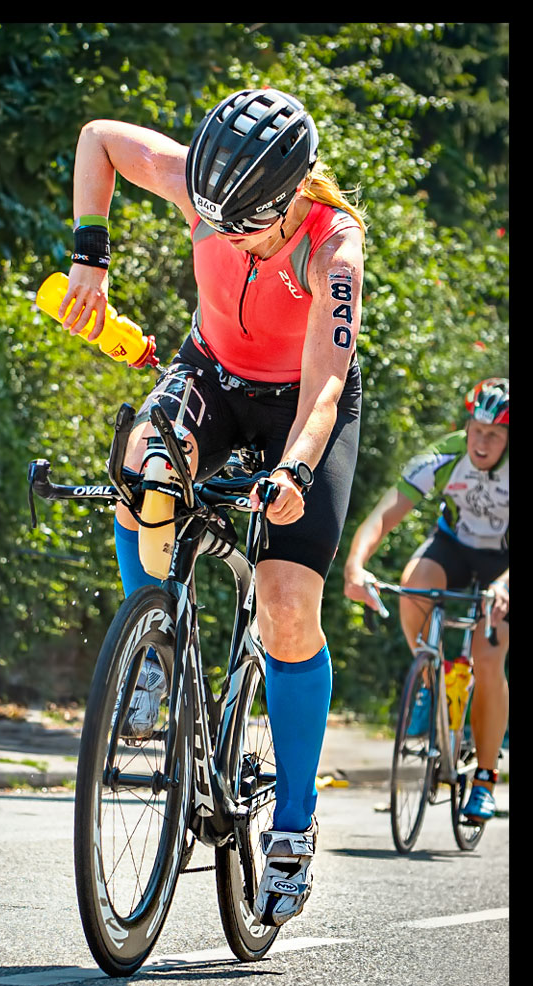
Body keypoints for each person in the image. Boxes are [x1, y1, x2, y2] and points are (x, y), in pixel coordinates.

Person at [59, 87, 366, 926]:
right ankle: (152, 646)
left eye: (244, 229)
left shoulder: (331, 244)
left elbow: (328, 385)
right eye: (213, 219)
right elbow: (100, 136)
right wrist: (91, 256)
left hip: (299, 408)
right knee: (144, 464)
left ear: (292, 196)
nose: (223, 237)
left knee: (286, 605)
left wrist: (295, 470)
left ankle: (295, 826)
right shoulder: (207, 184)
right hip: (211, 375)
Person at [343, 378, 509, 821]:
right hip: (453, 547)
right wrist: (356, 566)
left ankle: (486, 779)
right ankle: (431, 678)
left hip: (504, 561)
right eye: (477, 429)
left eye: (494, 435)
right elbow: (385, 513)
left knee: (488, 652)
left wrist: (504, 587)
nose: (482, 441)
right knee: (413, 586)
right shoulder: (447, 453)